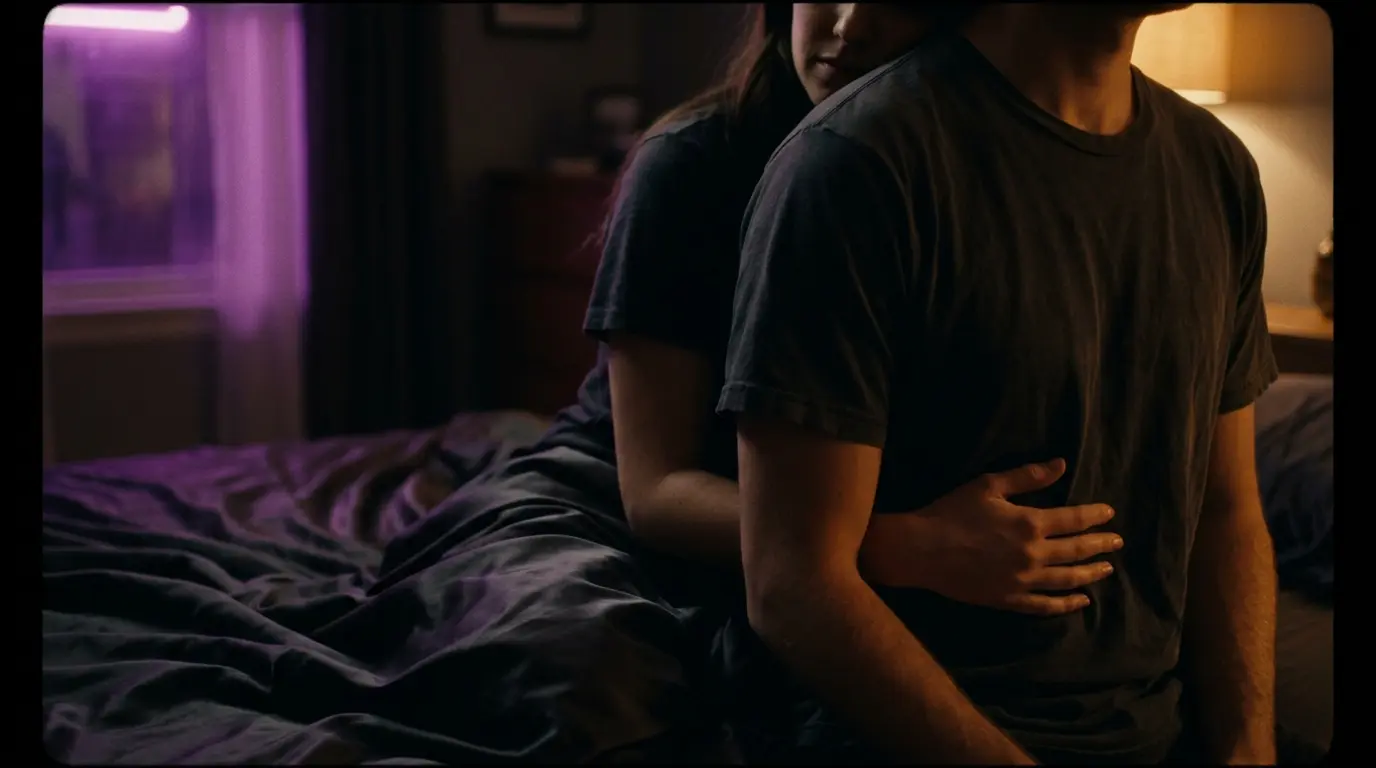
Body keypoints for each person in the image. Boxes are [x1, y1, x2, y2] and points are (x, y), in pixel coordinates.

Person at [719, 2, 1280, 764]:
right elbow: (793, 582)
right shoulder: (856, 160)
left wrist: (1247, 745)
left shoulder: (1218, 168)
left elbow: (1227, 511)